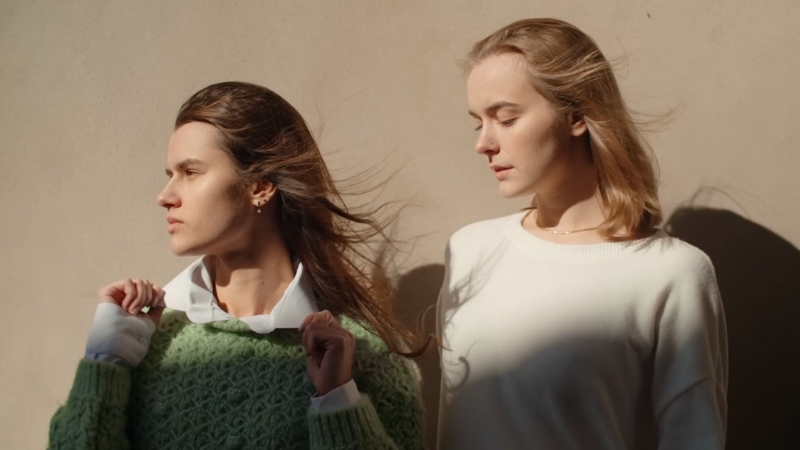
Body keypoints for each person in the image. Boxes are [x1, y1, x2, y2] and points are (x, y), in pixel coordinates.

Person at [48, 81, 426, 450]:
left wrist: (337, 401)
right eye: (170, 176)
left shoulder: (363, 354)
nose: (164, 197)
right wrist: (105, 363)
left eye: (190, 172)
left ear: (260, 186)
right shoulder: (145, 345)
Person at [437, 18, 728, 450]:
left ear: (576, 115)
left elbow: (694, 438)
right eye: (478, 122)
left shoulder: (672, 273)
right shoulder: (469, 249)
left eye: (506, 118)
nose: (484, 142)